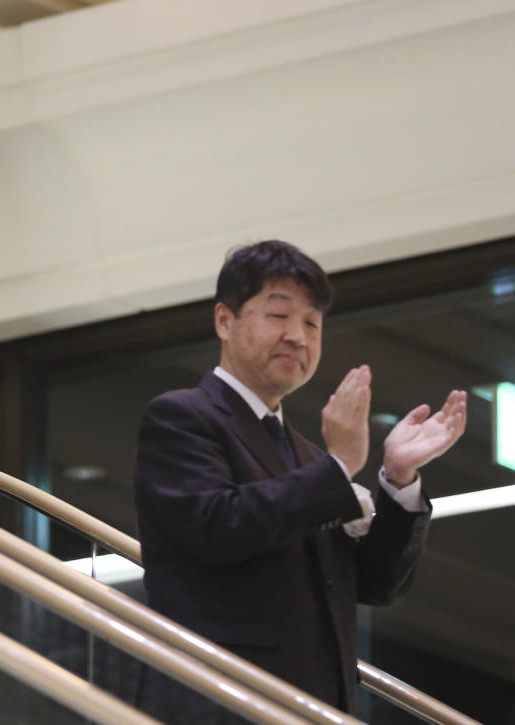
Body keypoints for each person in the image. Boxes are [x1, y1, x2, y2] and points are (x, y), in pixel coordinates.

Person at [133, 240, 467, 723]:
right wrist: (336, 467)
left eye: (312, 323)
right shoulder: (181, 415)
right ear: (224, 321)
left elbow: (375, 585)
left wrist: (399, 477)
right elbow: (215, 528)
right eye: (278, 316)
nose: (298, 336)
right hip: (222, 701)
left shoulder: (308, 454)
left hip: (319, 705)